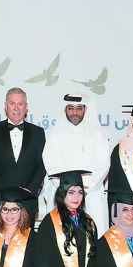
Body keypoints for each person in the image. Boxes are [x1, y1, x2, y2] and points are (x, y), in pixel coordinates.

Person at [42, 93, 112, 233]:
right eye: (70, 108)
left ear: (85, 109)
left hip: (91, 194)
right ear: (64, 109)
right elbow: (50, 164)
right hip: (62, 195)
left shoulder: (99, 135)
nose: (75, 112)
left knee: (94, 235)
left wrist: (84, 189)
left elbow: (103, 164)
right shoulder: (54, 135)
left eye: (79, 108)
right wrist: (68, 190)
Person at [0, 88, 47, 220]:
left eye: (20, 104)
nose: (16, 108)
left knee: (27, 240)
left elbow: (41, 165)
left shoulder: (38, 132)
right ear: (6, 107)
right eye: (12, 103)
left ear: (26, 107)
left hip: (28, 201)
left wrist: (30, 189)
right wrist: (4, 190)